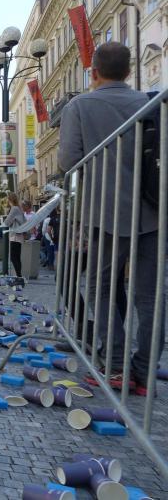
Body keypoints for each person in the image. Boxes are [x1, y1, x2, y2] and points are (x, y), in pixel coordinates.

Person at [58, 41, 161, 395]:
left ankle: (115, 365)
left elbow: (68, 161)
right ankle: (144, 372)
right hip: (152, 211)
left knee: (99, 287)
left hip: (104, 210)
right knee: (149, 296)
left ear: (94, 73)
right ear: (129, 71)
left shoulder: (80, 106)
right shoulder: (151, 103)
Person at [3, 192, 25, 282]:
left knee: (13, 257)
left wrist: (7, 216)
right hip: (18, 235)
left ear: (10, 200)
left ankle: (19, 276)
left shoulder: (14, 209)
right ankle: (19, 276)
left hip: (15, 235)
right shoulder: (18, 208)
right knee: (17, 257)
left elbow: (7, 222)